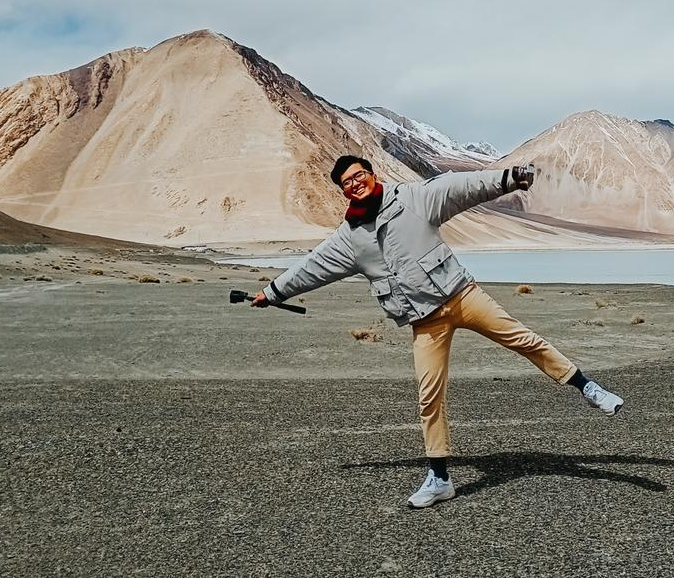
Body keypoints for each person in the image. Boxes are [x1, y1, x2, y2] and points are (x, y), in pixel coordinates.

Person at [252, 155, 624, 508]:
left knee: (525, 340)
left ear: (371, 173)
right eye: (346, 183)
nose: (354, 184)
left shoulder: (412, 199)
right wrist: (273, 292)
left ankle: (588, 388)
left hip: (461, 296)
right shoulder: (350, 239)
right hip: (425, 322)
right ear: (344, 191)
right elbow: (312, 267)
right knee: (429, 396)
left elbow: (460, 187)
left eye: (358, 175)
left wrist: (508, 179)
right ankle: (440, 479)